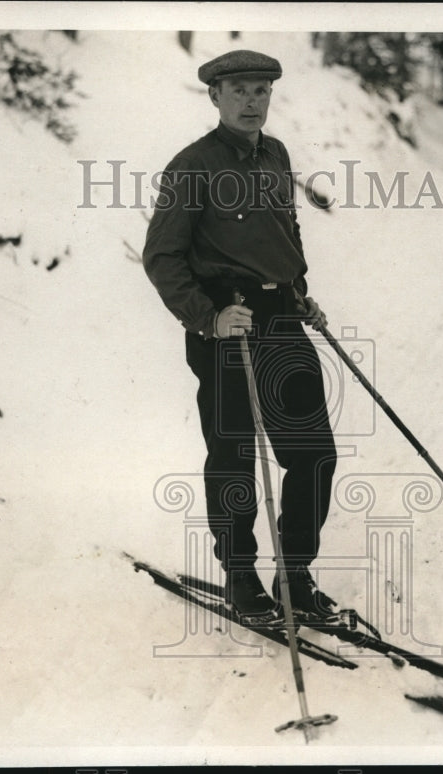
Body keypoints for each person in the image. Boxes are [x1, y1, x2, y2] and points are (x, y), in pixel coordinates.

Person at [143, 49, 338, 619]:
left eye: (261, 91)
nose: (252, 101)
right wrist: (208, 318)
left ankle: (294, 576)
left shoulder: (274, 154)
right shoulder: (192, 165)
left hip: (280, 318)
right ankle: (239, 576)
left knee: (314, 454)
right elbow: (162, 257)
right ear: (215, 97)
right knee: (232, 455)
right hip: (227, 324)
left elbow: (285, 232)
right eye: (239, 91)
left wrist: (299, 292)